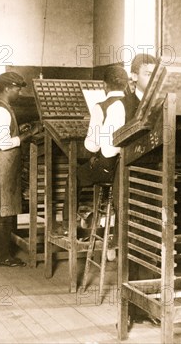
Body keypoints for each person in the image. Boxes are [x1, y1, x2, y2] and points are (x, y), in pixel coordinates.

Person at [58, 65, 129, 236]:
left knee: (74, 176)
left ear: (105, 85)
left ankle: (68, 225)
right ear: (126, 85)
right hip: (128, 166)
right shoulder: (134, 103)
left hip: (109, 169)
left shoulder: (101, 107)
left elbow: (93, 145)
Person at [0, 72, 42, 267]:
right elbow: (4, 143)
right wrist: (27, 135)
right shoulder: (1, 110)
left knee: (4, 208)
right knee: (3, 210)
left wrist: (21, 130)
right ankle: (0, 256)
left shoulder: (2, 107)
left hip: (5, 163)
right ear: (7, 88)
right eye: (17, 89)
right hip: (3, 162)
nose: (19, 92)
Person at [124, 54, 157, 122]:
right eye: (148, 74)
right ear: (134, 76)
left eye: (156, 75)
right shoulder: (121, 106)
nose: (154, 79)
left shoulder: (161, 103)